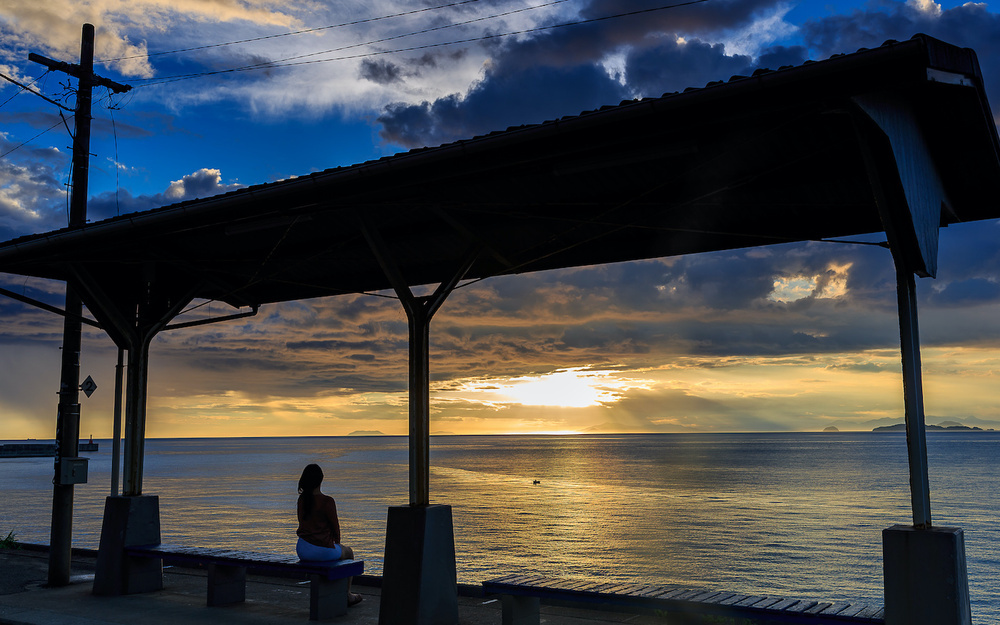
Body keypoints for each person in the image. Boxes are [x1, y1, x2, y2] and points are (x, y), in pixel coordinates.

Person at [296, 463, 362, 606]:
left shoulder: (302, 500)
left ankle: (341, 591)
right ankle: (347, 594)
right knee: (348, 552)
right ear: (321, 479)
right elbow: (335, 528)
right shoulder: (327, 501)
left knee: (338, 552)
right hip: (320, 550)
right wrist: (336, 544)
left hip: (302, 549)